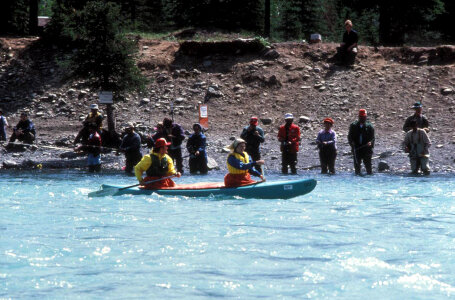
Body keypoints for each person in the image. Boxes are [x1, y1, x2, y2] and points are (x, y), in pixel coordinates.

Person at [348, 109, 375, 175]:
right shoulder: (353, 125)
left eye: (364, 117)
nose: (362, 118)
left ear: (366, 117)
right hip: (356, 149)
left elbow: (373, 138)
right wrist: (352, 143)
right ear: (359, 116)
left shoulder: (370, 126)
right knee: (357, 167)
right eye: (361, 116)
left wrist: (370, 143)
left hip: (367, 149)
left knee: (368, 167)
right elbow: (349, 136)